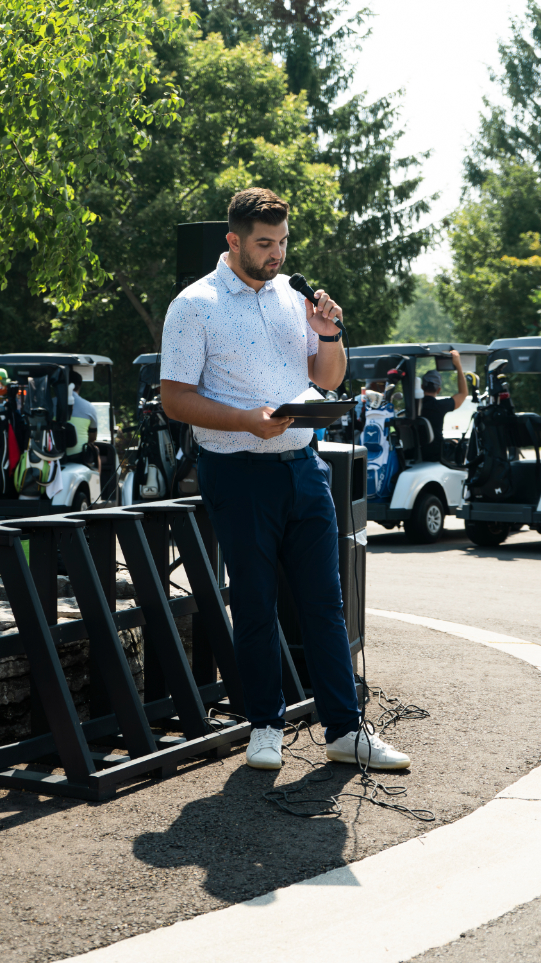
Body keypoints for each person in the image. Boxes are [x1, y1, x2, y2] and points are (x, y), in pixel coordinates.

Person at [161, 187, 410, 772]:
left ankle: (345, 731)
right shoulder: (194, 305)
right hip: (236, 471)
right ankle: (265, 727)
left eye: (283, 243)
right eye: (264, 243)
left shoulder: (293, 298)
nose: (276, 254)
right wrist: (246, 420)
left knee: (325, 604)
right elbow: (175, 398)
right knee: (255, 604)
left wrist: (328, 332)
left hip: (304, 468)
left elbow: (328, 379)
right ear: (233, 240)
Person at [421, 350, 468, 462]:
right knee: (462, 447)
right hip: (436, 454)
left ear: (422, 386)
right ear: (438, 390)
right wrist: (458, 366)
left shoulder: (412, 406)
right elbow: (463, 393)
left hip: (415, 453)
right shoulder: (439, 406)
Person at [65, 369, 101, 471]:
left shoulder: (51, 404)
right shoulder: (89, 407)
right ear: (79, 385)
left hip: (54, 454)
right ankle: (98, 481)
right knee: (96, 450)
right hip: (79, 456)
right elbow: (93, 437)